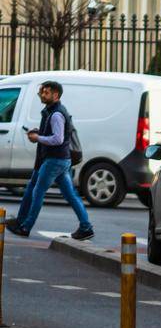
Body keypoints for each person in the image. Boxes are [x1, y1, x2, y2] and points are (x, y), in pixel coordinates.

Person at [4, 80, 94, 241]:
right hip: (55, 159)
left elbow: (58, 139)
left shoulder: (57, 114)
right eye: (42, 92)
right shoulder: (50, 111)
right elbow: (55, 134)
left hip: (55, 160)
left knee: (37, 191)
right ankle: (86, 227)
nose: (43, 95)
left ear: (56, 95)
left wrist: (38, 137)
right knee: (67, 194)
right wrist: (40, 132)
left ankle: (25, 226)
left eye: (46, 92)